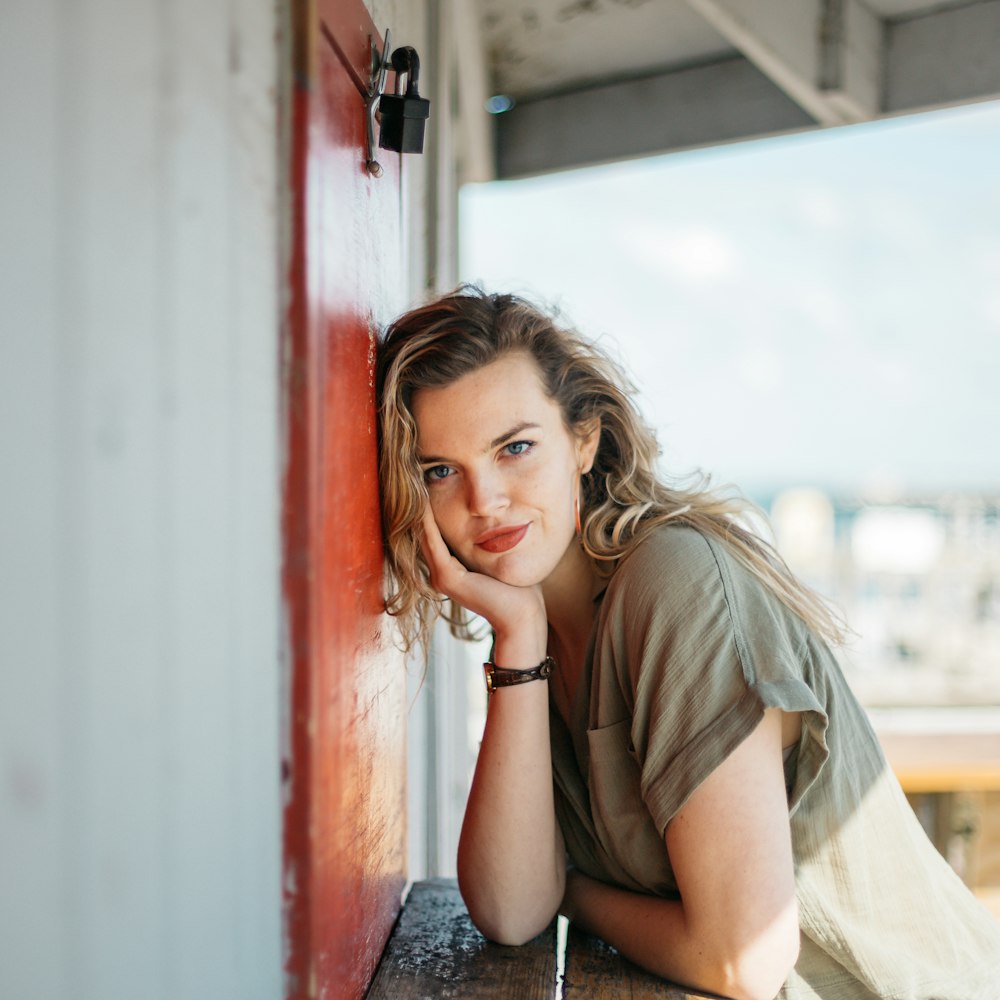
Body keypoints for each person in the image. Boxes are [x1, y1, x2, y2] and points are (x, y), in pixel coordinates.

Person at [375, 286, 1000, 1000]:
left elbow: (743, 959)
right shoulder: (540, 632)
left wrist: (575, 895)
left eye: (515, 448)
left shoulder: (672, 584)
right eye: (440, 471)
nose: (484, 499)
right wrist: (517, 639)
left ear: (585, 440)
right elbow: (513, 911)